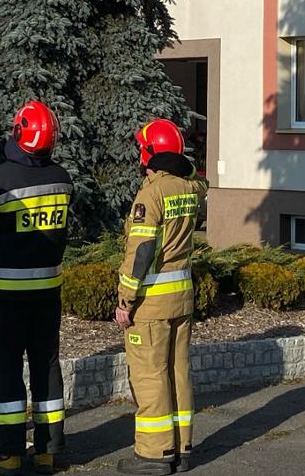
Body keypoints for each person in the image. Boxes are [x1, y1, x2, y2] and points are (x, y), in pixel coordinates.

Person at [0, 101, 73, 476]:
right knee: (46, 365)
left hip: (6, 295)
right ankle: (48, 450)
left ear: (17, 133)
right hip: (48, 291)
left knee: (8, 368)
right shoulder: (63, 179)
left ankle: (11, 454)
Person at [115, 119, 204, 475]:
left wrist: (125, 300)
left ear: (148, 153)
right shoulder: (189, 188)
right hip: (182, 297)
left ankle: (154, 454)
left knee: (150, 376)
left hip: (151, 302)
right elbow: (200, 179)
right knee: (178, 372)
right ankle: (182, 447)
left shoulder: (150, 195)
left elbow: (142, 250)